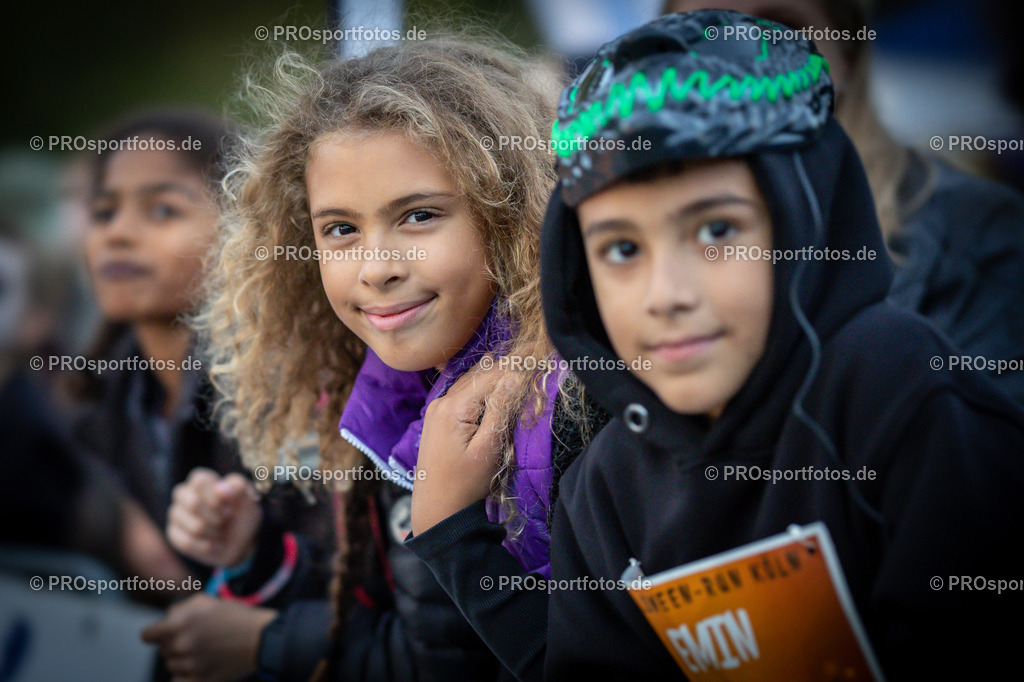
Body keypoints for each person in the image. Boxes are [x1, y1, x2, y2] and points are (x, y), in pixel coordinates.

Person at [407, 10, 1024, 680]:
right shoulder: (604, 490)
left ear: (802, 222)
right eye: (620, 248)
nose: (666, 292)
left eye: (716, 231)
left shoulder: (901, 393)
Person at [174, 38, 602, 681]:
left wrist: (451, 524)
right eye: (340, 229)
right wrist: (261, 558)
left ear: (511, 212)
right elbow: (400, 614)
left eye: (420, 216)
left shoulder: (581, 402)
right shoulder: (379, 386)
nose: (376, 269)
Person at [667, 0, 1024, 403]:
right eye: (710, 33)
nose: (748, 57)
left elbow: (988, 452)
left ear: (847, 56)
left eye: (783, 29)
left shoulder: (974, 226)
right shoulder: (617, 230)